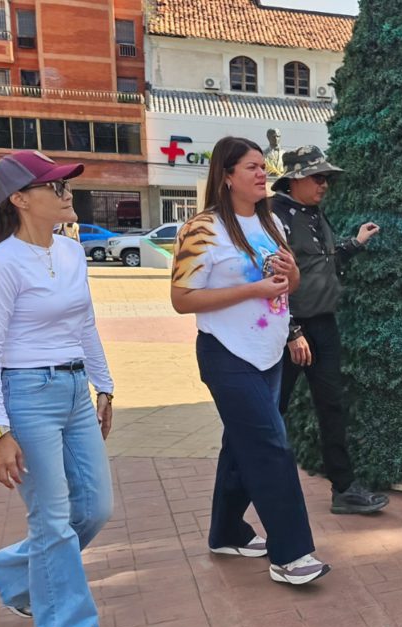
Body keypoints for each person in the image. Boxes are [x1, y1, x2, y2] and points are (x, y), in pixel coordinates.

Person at [0, 150, 115, 627]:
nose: (65, 193)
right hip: (26, 397)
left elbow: (85, 324)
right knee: (53, 521)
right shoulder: (0, 263)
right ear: (20, 199)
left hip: (77, 392)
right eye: (54, 187)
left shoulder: (72, 252)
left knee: (94, 507)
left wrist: (104, 385)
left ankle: (11, 572)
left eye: (64, 185)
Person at [170, 136, 330, 585]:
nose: (263, 174)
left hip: (269, 354)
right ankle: (291, 554)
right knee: (271, 448)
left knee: (241, 446)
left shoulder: (270, 224)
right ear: (226, 176)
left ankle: (226, 532)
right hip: (226, 354)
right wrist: (254, 290)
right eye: (252, 167)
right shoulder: (202, 229)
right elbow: (182, 300)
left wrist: (290, 276)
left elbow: (288, 284)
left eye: (264, 166)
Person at [270, 145, 386, 514]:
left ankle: (344, 488)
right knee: (272, 409)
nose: (325, 185)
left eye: (326, 178)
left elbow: (324, 262)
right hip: (291, 331)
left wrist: (355, 242)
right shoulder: (273, 218)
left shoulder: (315, 214)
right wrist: (291, 331)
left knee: (332, 406)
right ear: (295, 179)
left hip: (322, 326)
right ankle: (251, 486)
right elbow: (270, 278)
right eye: (318, 177)